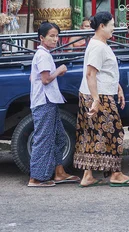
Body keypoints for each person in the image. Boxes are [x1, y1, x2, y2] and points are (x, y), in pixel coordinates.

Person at [73, 11, 129, 187]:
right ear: (102, 26)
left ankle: (88, 176)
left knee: (92, 135)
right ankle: (116, 174)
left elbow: (104, 72)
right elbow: (90, 74)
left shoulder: (99, 44)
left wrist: (117, 87)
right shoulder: (98, 47)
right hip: (99, 96)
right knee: (114, 133)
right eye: (111, 25)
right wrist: (96, 99)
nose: (113, 29)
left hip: (96, 93)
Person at [28, 21, 80, 188]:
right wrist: (59, 70)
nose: (55, 39)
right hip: (44, 102)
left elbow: (33, 78)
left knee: (58, 137)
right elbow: (45, 80)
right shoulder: (43, 55)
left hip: (48, 101)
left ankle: (59, 172)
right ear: (42, 38)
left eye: (57, 36)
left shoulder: (43, 54)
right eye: (52, 36)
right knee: (43, 139)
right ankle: (35, 178)